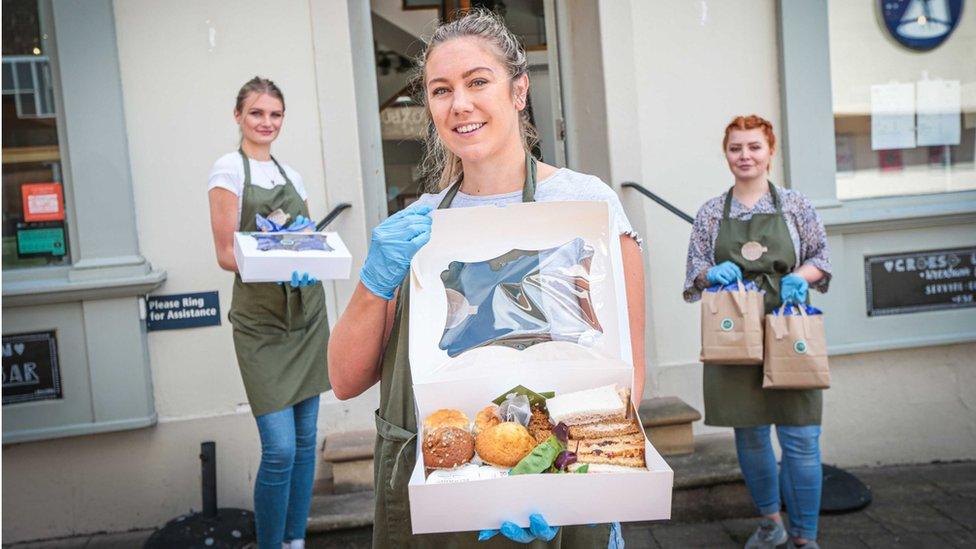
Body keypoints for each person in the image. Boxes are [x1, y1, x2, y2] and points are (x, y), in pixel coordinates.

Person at [328, 9, 644, 549]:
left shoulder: (585, 204)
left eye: (478, 82)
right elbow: (345, 379)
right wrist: (374, 280)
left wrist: (554, 473)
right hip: (443, 486)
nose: (461, 104)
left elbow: (628, 377)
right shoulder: (417, 225)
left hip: (558, 480)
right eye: (441, 90)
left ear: (519, 91)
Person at [684, 115, 832, 549]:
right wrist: (713, 272)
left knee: (801, 437)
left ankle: (806, 537)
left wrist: (801, 276)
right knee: (750, 435)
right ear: (726, 154)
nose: (744, 156)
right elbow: (694, 273)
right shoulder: (712, 213)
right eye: (735, 148)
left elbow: (822, 255)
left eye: (753, 147)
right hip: (733, 334)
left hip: (790, 327)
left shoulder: (795, 206)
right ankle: (771, 524)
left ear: (770, 151)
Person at [207, 76, 329, 549]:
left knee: (304, 443)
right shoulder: (227, 171)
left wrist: (308, 254)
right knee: (278, 449)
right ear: (238, 116)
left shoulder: (292, 176)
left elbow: (308, 243)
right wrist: (277, 260)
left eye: (275, 114)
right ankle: (271, 544)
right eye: (257, 113)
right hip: (261, 325)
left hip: (306, 317)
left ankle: (295, 540)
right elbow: (224, 253)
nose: (267, 123)